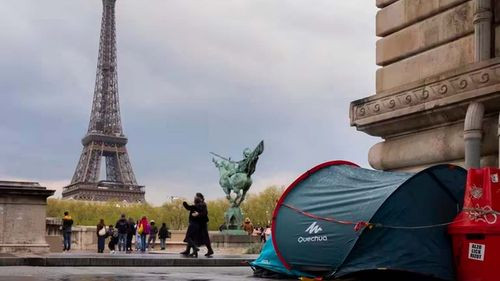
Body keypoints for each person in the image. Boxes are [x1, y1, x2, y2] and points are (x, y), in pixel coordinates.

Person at [195, 193, 214, 257]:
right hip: (200, 223)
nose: (195, 197)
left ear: (199, 197)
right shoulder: (200, 204)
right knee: (197, 237)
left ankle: (209, 250)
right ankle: (193, 250)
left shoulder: (203, 204)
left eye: (196, 196)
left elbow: (205, 213)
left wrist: (198, 214)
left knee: (204, 237)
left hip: (202, 223)